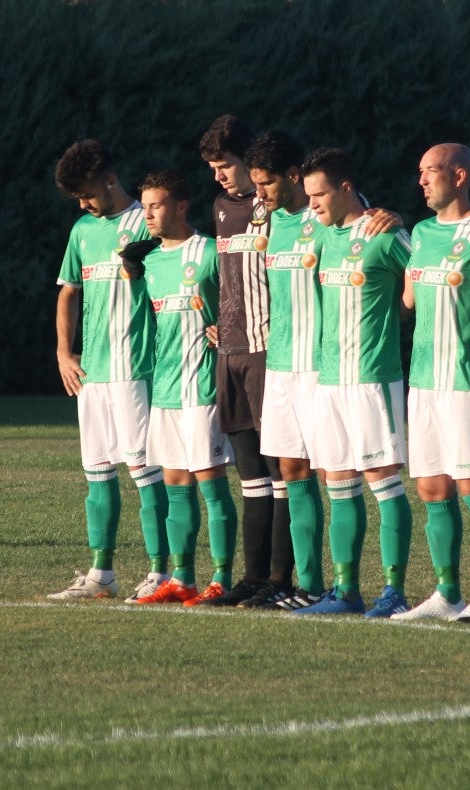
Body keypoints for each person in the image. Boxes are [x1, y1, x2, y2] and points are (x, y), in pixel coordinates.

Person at [293, 147, 415, 618]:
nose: (313, 205)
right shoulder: (323, 234)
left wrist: (402, 307)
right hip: (330, 378)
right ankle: (345, 591)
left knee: (382, 480)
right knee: (338, 481)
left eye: (319, 194)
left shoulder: (385, 233)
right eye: (309, 197)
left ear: (346, 188)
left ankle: (395, 590)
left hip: (372, 378)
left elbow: (421, 275)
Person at [48, 140, 169, 602]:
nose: (83, 204)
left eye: (87, 194)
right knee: (96, 472)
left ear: (111, 181)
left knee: (145, 471)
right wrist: (64, 352)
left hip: (137, 368)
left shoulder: (148, 221)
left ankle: (160, 572)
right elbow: (68, 292)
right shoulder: (82, 229)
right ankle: (102, 574)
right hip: (93, 372)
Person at [388, 143, 470, 622]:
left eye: (429, 171)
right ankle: (446, 592)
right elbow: (409, 301)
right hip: (424, 379)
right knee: (432, 487)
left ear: (459, 176)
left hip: (466, 378)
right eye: (419, 172)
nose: (421, 180)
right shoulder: (419, 233)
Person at [191, 115, 292, 608]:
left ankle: (281, 580)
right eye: (212, 168)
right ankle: (251, 580)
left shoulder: (277, 203)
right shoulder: (220, 207)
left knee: (281, 473)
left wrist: (387, 214)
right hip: (227, 353)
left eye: (225, 165)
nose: (219, 176)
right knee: (249, 473)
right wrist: (218, 320)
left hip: (270, 352)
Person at [127, 170, 240, 605]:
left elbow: (241, 301)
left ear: (180, 207)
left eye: (156, 205)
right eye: (145, 206)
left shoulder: (210, 252)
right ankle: (182, 578)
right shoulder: (149, 260)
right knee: (175, 484)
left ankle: (222, 579)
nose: (148, 214)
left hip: (203, 388)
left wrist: (227, 332)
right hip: (166, 390)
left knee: (210, 484)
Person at [245, 130, 329, 611]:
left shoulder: (326, 218)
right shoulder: (267, 219)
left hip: (320, 366)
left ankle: (340, 584)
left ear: (294, 177)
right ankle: (306, 584)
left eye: (268, 184)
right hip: (279, 365)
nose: (261, 194)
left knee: (334, 474)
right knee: (291, 470)